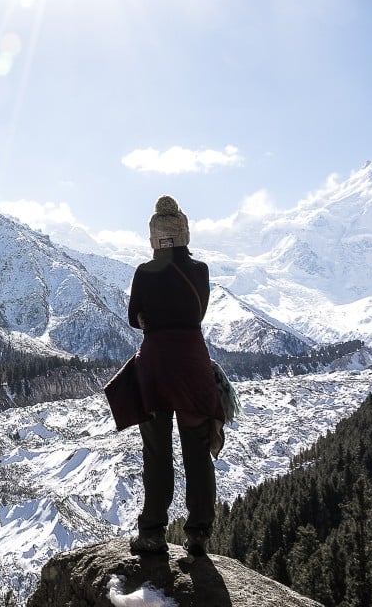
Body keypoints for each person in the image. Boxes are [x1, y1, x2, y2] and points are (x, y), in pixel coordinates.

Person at [127, 195, 224, 557]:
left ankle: (152, 532)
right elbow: (195, 314)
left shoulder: (143, 272)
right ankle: (198, 533)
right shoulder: (200, 271)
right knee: (196, 451)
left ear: (154, 236)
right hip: (192, 364)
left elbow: (133, 316)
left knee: (156, 451)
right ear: (184, 232)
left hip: (154, 368)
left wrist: (148, 319)